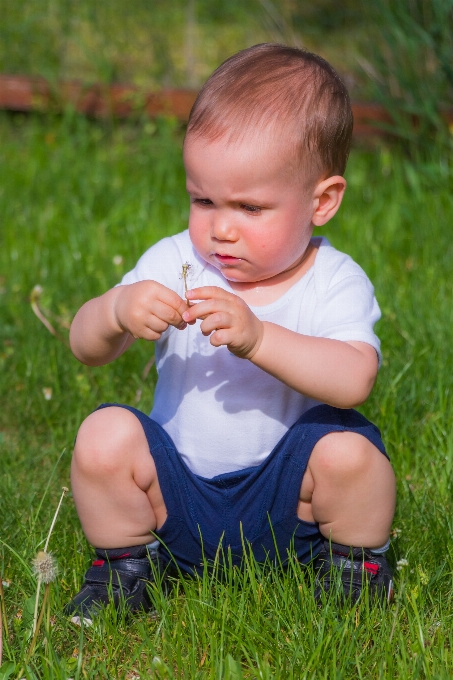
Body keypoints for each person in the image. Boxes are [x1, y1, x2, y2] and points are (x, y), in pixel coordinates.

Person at [66, 43, 396, 623]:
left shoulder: (334, 279)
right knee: (103, 434)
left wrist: (259, 338)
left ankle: (353, 569)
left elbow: (354, 379)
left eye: (249, 206)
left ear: (322, 201)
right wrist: (117, 310)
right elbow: (84, 348)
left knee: (350, 451)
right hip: (179, 500)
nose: (221, 228)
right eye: (203, 199)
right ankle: (126, 568)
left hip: (290, 510)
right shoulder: (176, 260)